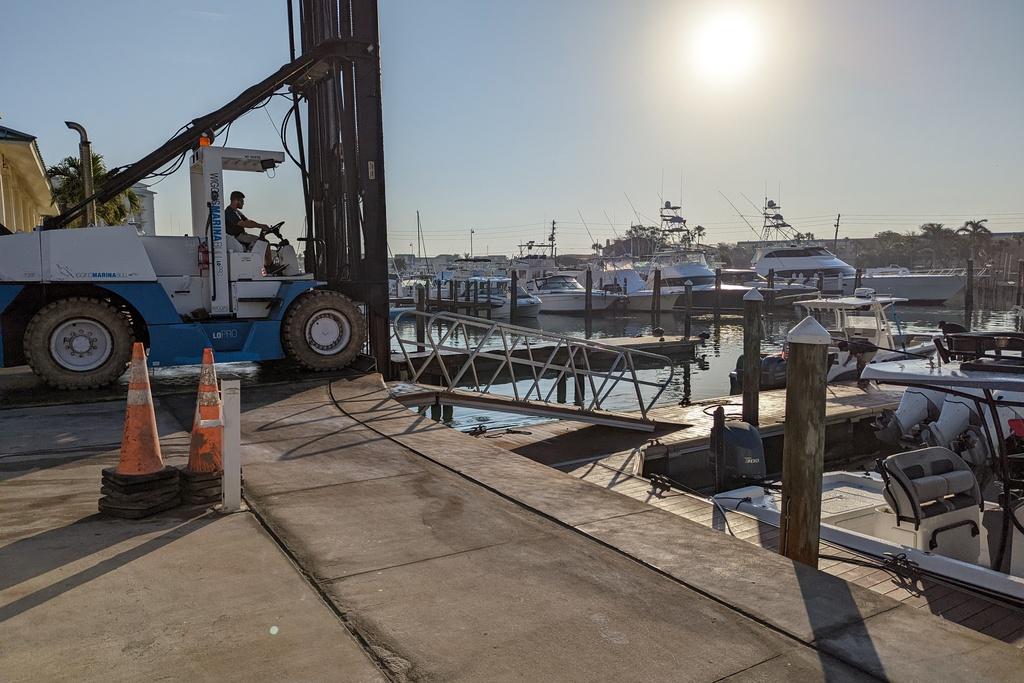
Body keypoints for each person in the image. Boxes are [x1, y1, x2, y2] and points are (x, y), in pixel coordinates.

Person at [224, 191, 276, 271]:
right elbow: (244, 223)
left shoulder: (237, 212)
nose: (243, 203)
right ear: (235, 200)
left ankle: (265, 265)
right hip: (237, 237)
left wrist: (260, 226)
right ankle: (269, 266)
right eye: (242, 201)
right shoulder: (229, 212)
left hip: (242, 235)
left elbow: (248, 221)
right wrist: (260, 226)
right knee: (265, 242)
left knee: (262, 241)